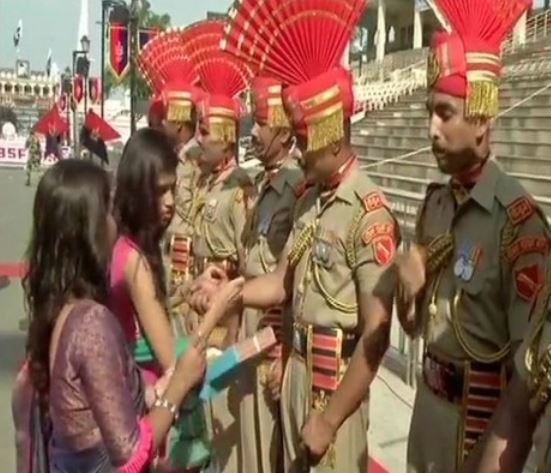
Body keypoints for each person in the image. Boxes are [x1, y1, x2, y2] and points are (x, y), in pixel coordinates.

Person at [195, 1, 398, 470]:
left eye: (305, 142)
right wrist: (229, 292)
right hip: (297, 377)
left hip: (334, 386)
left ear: (331, 134)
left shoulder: (369, 215)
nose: (300, 152)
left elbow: (377, 333)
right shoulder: (310, 200)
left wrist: (329, 418)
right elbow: (282, 282)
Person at [393, 0, 548, 470]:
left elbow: (530, 378)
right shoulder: (435, 207)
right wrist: (407, 290)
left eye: (444, 113)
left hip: (479, 437)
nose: (431, 129)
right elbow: (416, 326)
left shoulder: (519, 225)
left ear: (481, 119)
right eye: (428, 112)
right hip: (426, 419)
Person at [13, 159, 217, 472]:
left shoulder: (64, 312)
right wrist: (180, 382)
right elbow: (129, 455)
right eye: (109, 212)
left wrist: (151, 395)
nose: (116, 223)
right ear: (88, 228)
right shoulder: (91, 323)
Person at [182, 19, 254, 473]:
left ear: (226, 139)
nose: (198, 139)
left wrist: (228, 333)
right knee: (201, 424)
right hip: (200, 307)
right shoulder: (209, 184)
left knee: (223, 431)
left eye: (206, 132)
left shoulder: (240, 188)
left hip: (224, 319)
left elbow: (244, 265)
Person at [238, 77, 304, 473]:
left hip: (271, 343)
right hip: (249, 336)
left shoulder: (295, 189)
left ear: (282, 129)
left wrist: (283, 353)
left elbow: (292, 285)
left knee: (268, 455)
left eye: (261, 123)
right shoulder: (269, 186)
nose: (254, 130)